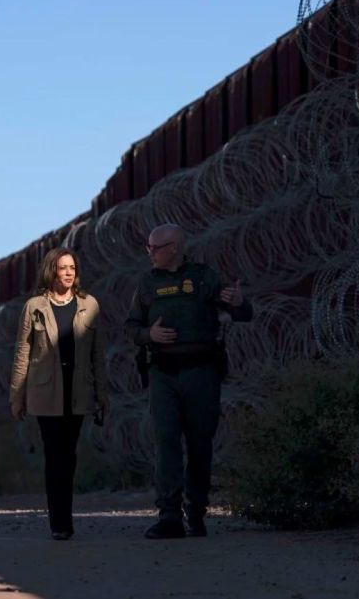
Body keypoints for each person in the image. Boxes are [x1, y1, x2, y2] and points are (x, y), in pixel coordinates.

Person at [125, 224, 253, 539]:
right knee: (166, 443)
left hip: (201, 372)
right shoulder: (147, 284)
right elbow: (131, 326)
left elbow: (242, 313)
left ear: (174, 248)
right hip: (163, 373)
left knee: (199, 444)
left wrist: (238, 302)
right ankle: (169, 516)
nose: (150, 254)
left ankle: (196, 513)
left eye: (155, 248)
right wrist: (148, 335)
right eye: (148, 248)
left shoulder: (202, 277)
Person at [9, 247, 108, 540]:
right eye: (63, 267)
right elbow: (22, 353)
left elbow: (97, 355)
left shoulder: (89, 305)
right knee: (55, 457)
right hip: (45, 392)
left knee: (70, 456)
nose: (68, 273)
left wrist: (103, 394)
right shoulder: (34, 306)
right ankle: (60, 523)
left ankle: (65, 516)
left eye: (72, 268)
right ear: (51, 270)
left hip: (78, 391)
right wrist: (17, 395)